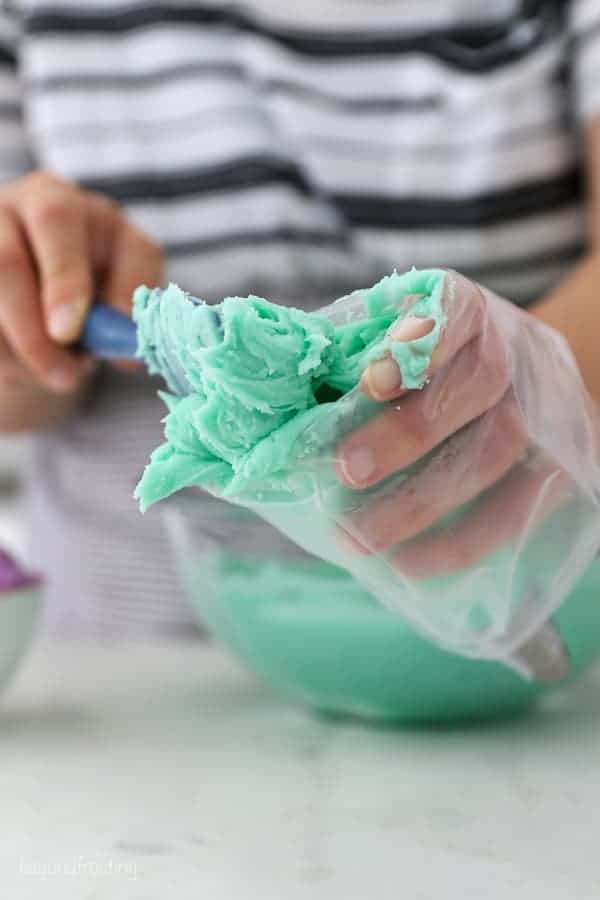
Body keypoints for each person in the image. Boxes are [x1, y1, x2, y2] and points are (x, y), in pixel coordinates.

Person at [0, 0, 599, 637]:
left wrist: (540, 379)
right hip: (129, 670)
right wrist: (28, 313)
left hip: (522, 626)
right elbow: (18, 400)